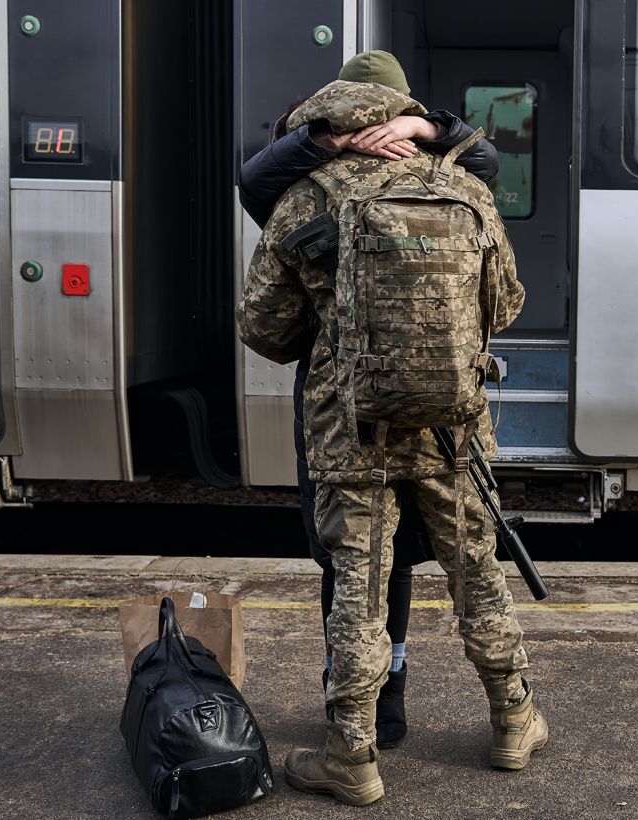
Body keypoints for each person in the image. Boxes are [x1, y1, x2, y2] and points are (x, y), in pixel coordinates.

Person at [237, 68, 547, 807]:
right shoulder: (463, 189)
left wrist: (339, 330)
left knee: (358, 587)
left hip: (352, 430)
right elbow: (503, 303)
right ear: (401, 113)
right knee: (476, 570)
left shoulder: (305, 197)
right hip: (452, 428)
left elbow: (264, 329)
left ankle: (353, 752)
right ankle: (512, 718)